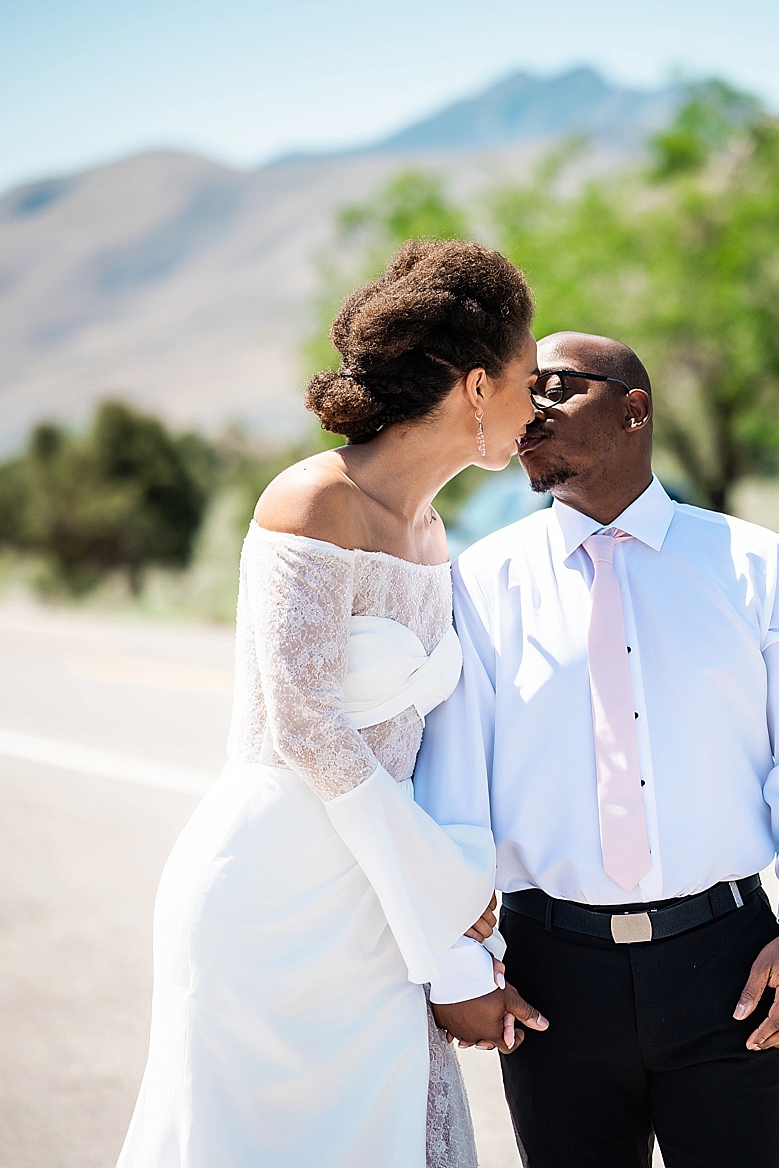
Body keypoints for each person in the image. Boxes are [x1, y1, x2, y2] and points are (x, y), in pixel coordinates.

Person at [117, 239, 547, 1168]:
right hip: (272, 897)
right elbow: (304, 725)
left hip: (376, 904)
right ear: (475, 387)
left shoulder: (435, 532)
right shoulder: (311, 503)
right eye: (524, 379)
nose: (535, 404)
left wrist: (452, 913)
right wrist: (441, 888)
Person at [415, 332, 779, 1168]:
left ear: (634, 408)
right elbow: (451, 784)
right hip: (549, 980)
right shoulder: (477, 582)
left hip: (731, 969)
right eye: (518, 392)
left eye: (554, 388)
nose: (526, 412)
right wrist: (456, 963)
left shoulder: (755, 565)